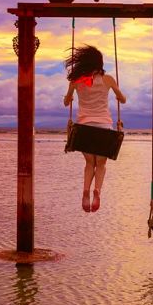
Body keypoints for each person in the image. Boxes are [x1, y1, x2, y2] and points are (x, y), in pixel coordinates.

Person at [63, 45, 126, 212]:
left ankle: (85, 191)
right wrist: (118, 95)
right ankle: (97, 191)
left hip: (83, 128)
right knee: (101, 164)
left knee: (89, 163)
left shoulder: (76, 81)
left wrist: (69, 97)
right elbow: (123, 99)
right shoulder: (108, 80)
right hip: (104, 127)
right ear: (100, 63)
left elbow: (66, 101)